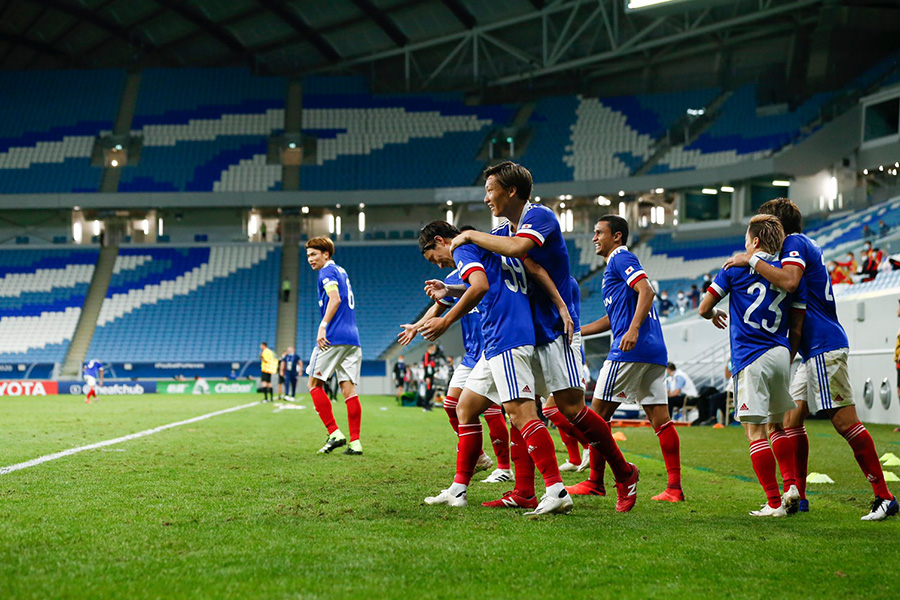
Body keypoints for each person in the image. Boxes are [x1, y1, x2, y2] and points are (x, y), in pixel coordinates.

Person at [449, 161, 639, 512]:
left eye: (490, 189)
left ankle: (624, 472)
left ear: (511, 191)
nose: (486, 197)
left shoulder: (540, 217)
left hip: (554, 328)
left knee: (571, 409)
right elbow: (527, 268)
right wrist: (449, 287)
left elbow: (522, 252)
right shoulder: (505, 228)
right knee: (518, 408)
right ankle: (524, 491)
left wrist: (470, 234)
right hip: (524, 328)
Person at [725, 198, 898, 520]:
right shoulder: (800, 245)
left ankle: (884, 497)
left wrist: (750, 260)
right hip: (810, 352)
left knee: (845, 422)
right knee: (788, 420)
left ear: (777, 226)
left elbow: (790, 282)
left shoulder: (795, 243)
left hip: (822, 346)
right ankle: (797, 495)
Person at [418, 220, 572, 516]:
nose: (438, 264)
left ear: (439, 240)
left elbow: (480, 285)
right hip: (499, 339)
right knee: (465, 408)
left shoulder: (462, 246)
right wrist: (448, 288)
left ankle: (556, 489)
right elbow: (494, 279)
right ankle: (458, 490)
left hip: (506, 337)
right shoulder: (489, 245)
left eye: (433, 257)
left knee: (522, 415)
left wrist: (445, 321)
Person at [570, 215, 684, 503]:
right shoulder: (615, 267)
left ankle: (596, 481)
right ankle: (674, 488)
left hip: (631, 350)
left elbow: (647, 289)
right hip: (654, 351)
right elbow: (613, 318)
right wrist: (578, 331)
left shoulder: (621, 257)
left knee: (595, 418)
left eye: (599, 232)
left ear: (617, 236)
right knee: (661, 420)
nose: (594, 238)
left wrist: (632, 330)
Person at [701, 214, 805, 516]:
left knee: (755, 432)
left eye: (746, 240)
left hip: (751, 356)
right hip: (780, 354)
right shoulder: (785, 272)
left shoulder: (734, 270)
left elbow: (703, 307)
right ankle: (791, 485)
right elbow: (797, 323)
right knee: (776, 426)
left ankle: (774, 503)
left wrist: (712, 315)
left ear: (755, 241)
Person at [398, 253, 512, 486]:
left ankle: (505, 468)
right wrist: (416, 326)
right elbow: (437, 308)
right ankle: (479, 456)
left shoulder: (484, 271)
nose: (438, 264)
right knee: (451, 405)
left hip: (491, 348)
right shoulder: (451, 278)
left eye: (435, 257)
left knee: (491, 410)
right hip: (471, 353)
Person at [306, 236, 364, 456]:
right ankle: (356, 442)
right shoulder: (341, 271)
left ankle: (334, 433)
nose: (310, 259)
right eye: (308, 256)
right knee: (348, 388)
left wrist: (323, 326)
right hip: (353, 338)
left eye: (314, 254)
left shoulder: (327, 272)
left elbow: (335, 298)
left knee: (314, 383)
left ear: (326, 254)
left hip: (333, 337)